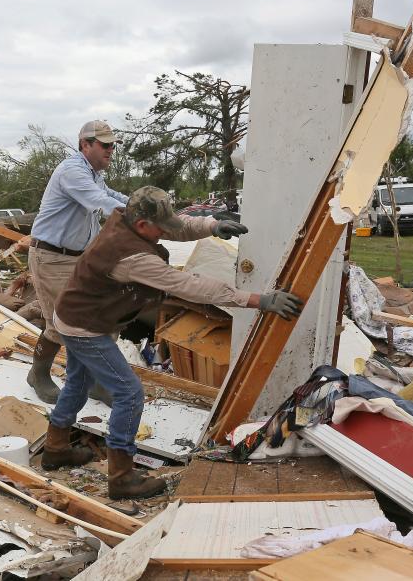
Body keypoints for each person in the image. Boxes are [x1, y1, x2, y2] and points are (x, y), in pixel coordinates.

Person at [42, 186, 304, 499]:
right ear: (143, 226)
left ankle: (55, 449)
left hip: (73, 314)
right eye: (161, 227)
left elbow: (176, 226)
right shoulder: (134, 257)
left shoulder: (127, 218)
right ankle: (122, 478)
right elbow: (191, 287)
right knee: (129, 393)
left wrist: (211, 226)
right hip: (84, 327)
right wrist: (258, 300)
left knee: (76, 383)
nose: (167, 230)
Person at [26, 120, 129, 405]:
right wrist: (135, 214)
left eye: (113, 144)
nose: (111, 149)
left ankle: (94, 381)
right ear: (85, 144)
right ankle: (38, 374)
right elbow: (100, 201)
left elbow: (110, 194)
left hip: (80, 258)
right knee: (60, 324)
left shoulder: (94, 173)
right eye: (104, 144)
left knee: (102, 318)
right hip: (52, 257)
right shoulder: (72, 171)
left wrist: (141, 203)